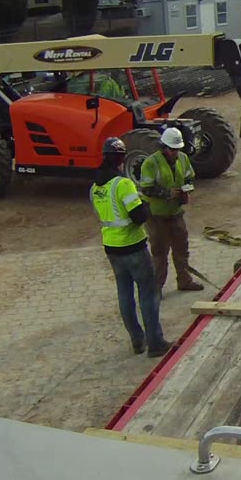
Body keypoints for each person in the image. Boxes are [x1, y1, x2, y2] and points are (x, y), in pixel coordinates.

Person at [91, 137, 170, 356]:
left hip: (111, 247)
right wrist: (144, 204)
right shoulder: (123, 184)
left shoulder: (96, 187)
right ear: (120, 158)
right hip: (132, 246)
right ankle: (155, 343)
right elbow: (137, 217)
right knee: (148, 293)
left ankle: (137, 341)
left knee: (124, 294)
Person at [138, 126, 204, 293]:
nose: (175, 153)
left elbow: (190, 177)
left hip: (175, 212)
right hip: (156, 215)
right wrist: (167, 193)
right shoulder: (150, 163)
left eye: (177, 149)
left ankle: (185, 280)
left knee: (182, 248)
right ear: (164, 147)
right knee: (160, 254)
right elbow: (146, 188)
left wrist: (186, 189)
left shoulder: (182, 159)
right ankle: (156, 289)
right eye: (172, 150)